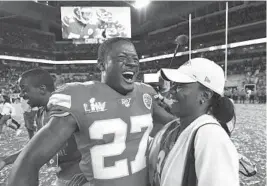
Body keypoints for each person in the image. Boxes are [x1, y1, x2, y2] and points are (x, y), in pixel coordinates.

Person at [8, 37, 176, 186]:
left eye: (135, 58)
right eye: (122, 58)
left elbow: (175, 124)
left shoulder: (145, 93)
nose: (131, 62)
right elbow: (29, 162)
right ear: (101, 64)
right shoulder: (78, 97)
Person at [149, 58, 239, 186]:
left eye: (180, 86)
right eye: (174, 84)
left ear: (205, 96)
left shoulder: (211, 138)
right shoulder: (175, 126)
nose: (171, 90)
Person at [0, 69, 87, 186]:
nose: (20, 94)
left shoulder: (66, 111)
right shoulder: (41, 113)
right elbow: (36, 148)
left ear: (42, 89)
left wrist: (88, 175)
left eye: (24, 90)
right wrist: (6, 160)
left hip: (81, 179)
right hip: (63, 177)